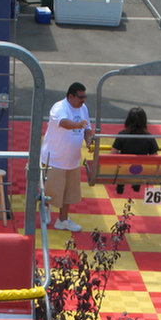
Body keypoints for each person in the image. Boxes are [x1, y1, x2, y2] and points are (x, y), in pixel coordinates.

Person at [40, 82, 94, 232]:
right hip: (55, 158)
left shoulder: (83, 109)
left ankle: (63, 220)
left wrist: (89, 139)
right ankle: (45, 209)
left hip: (72, 160)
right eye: (80, 97)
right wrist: (78, 125)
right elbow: (63, 123)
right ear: (71, 96)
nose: (83, 100)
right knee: (49, 190)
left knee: (69, 193)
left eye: (85, 97)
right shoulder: (59, 107)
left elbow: (87, 128)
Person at [111, 107, 159, 195]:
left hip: (123, 169)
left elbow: (113, 153)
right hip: (141, 170)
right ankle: (137, 185)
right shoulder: (149, 138)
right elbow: (155, 157)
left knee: (122, 164)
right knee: (140, 166)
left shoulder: (122, 135)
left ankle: (120, 185)